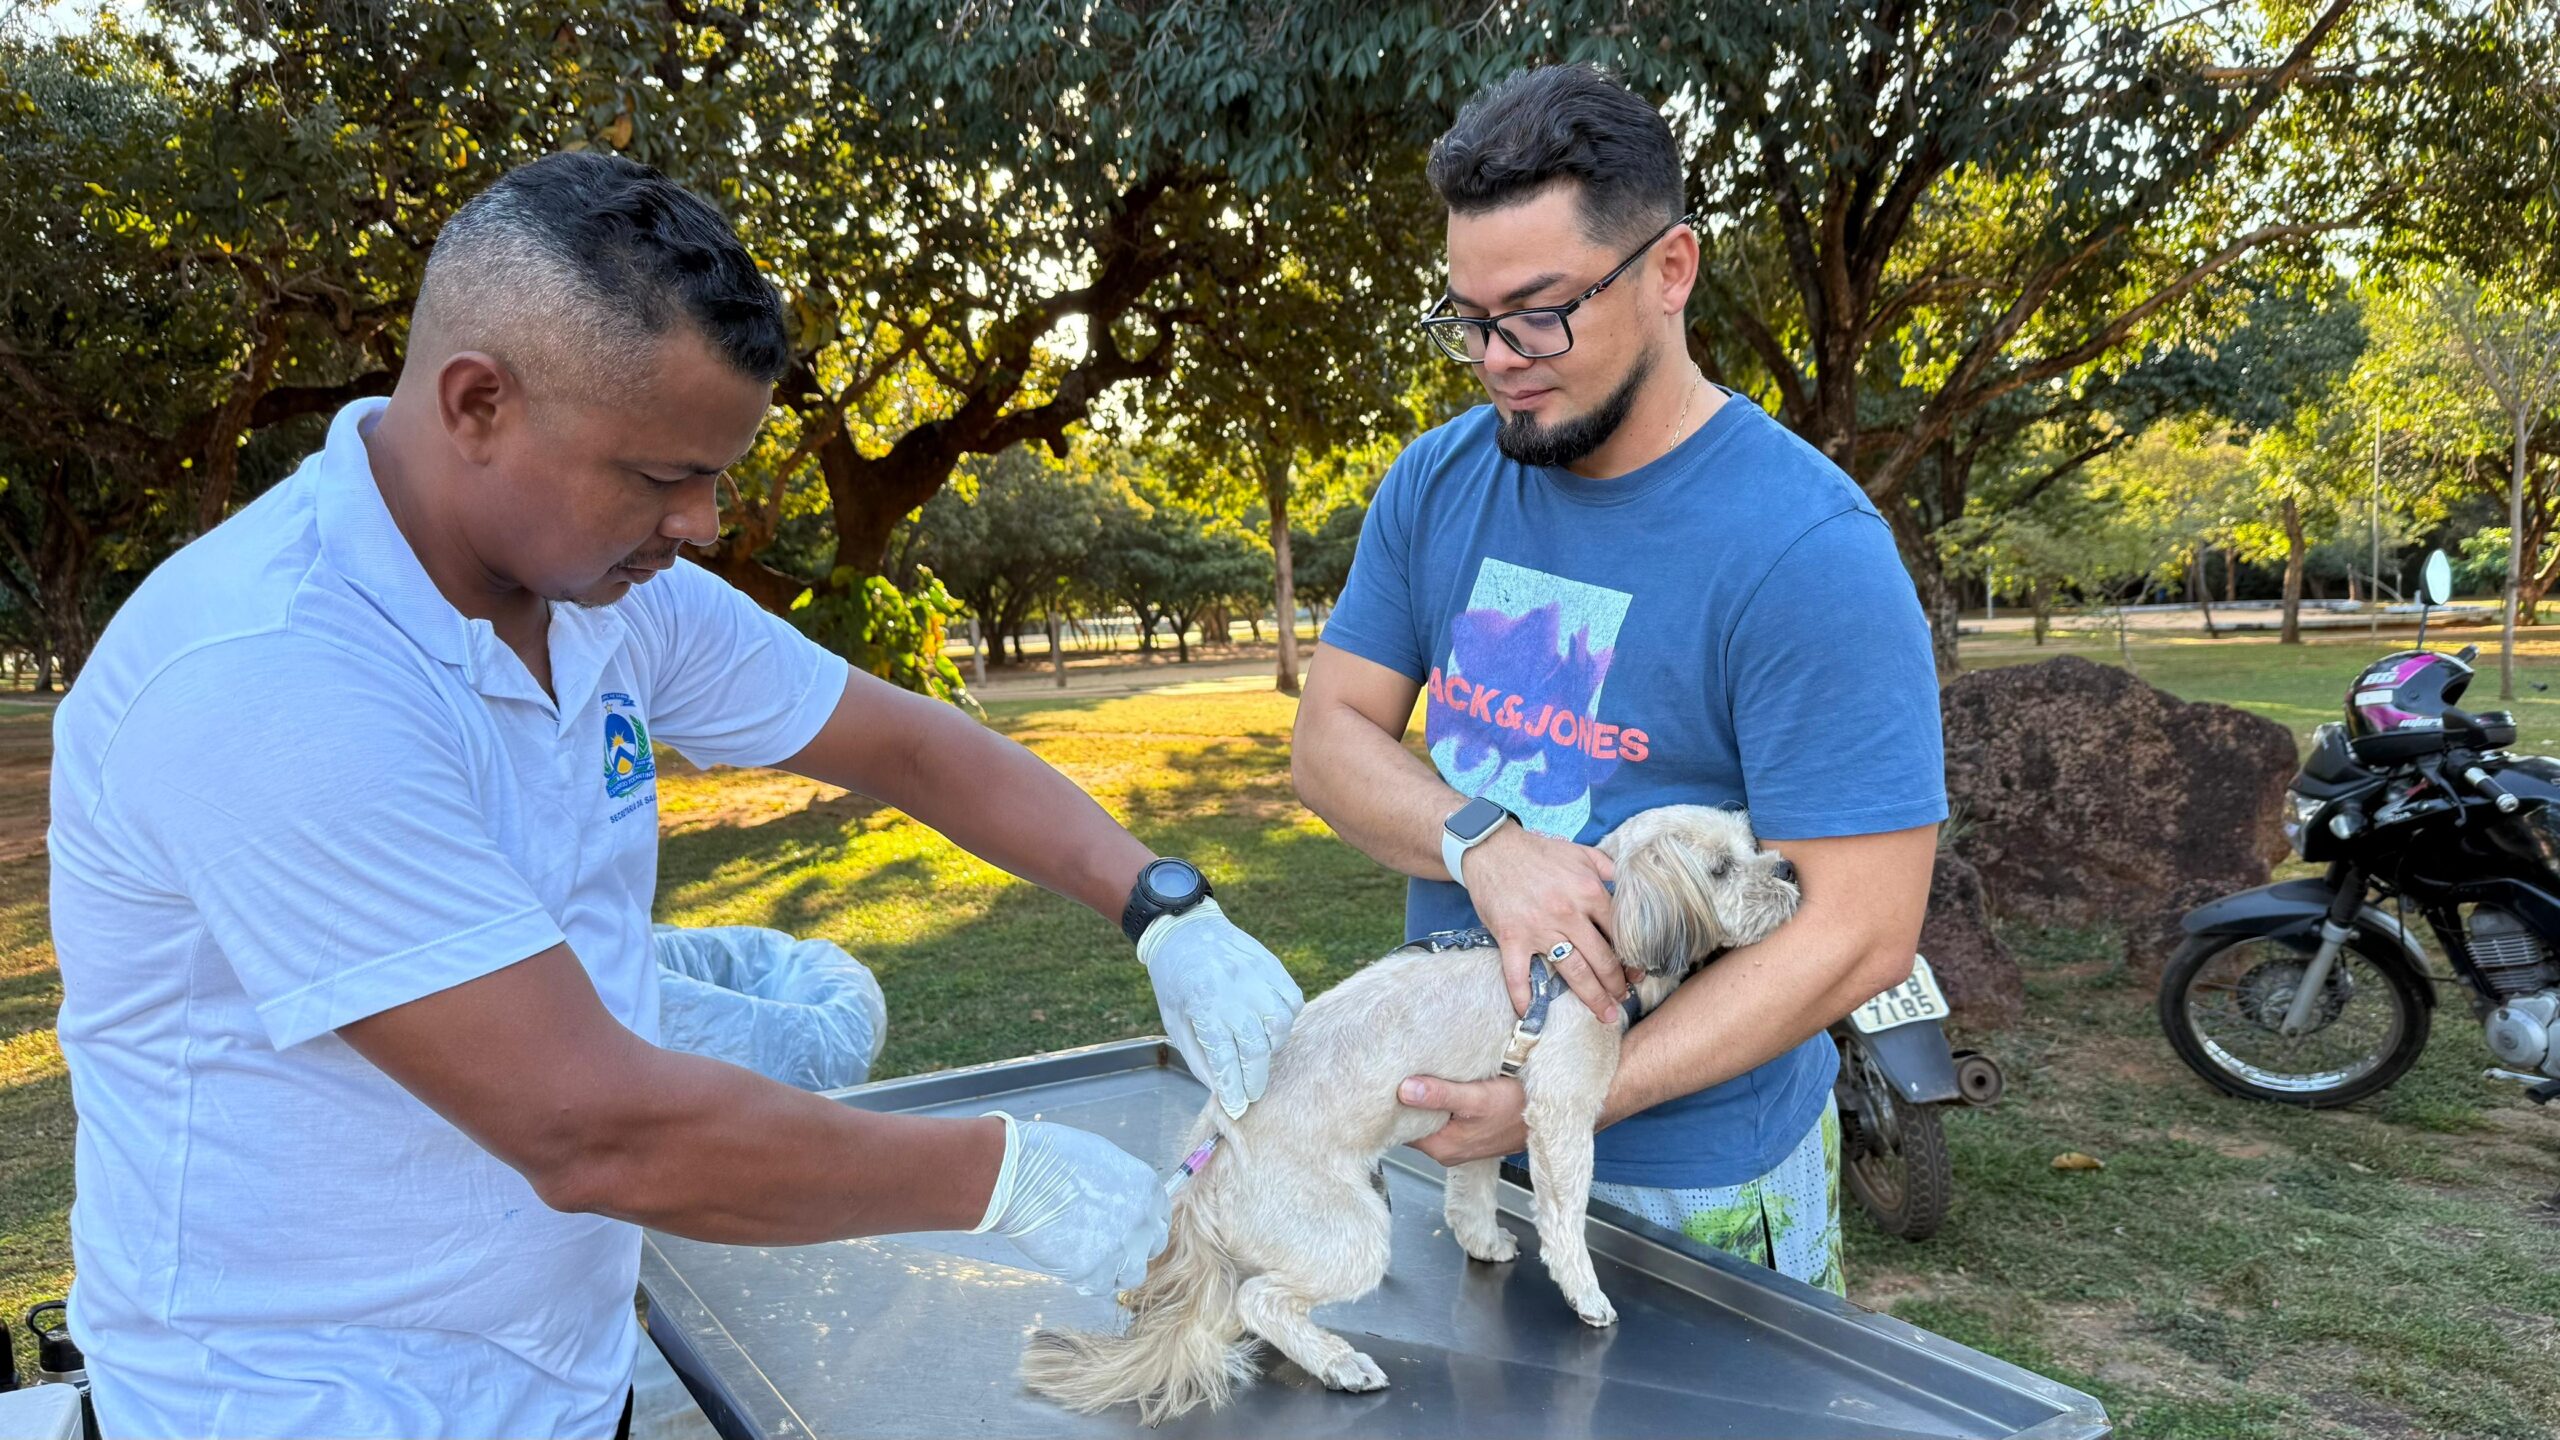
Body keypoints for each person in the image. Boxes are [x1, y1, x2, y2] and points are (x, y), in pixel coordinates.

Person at [46, 151, 1301, 1438]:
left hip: (560, 1379)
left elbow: (910, 748)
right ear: (478, 403)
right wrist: (1015, 1179)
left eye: (716, 475)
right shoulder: (271, 675)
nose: (701, 524)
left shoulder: (605, 601)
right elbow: (595, 1130)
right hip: (296, 1408)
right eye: (660, 477)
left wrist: (1165, 907)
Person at [1290, 64, 1943, 1296]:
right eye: (1468, 319)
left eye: (1539, 312)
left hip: (1689, 1170)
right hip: (1455, 1127)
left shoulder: (1809, 551)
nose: (1497, 359)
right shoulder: (1436, 483)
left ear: (1669, 271)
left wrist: (1563, 1099)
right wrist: (1478, 838)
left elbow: (1861, 931)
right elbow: (1330, 740)